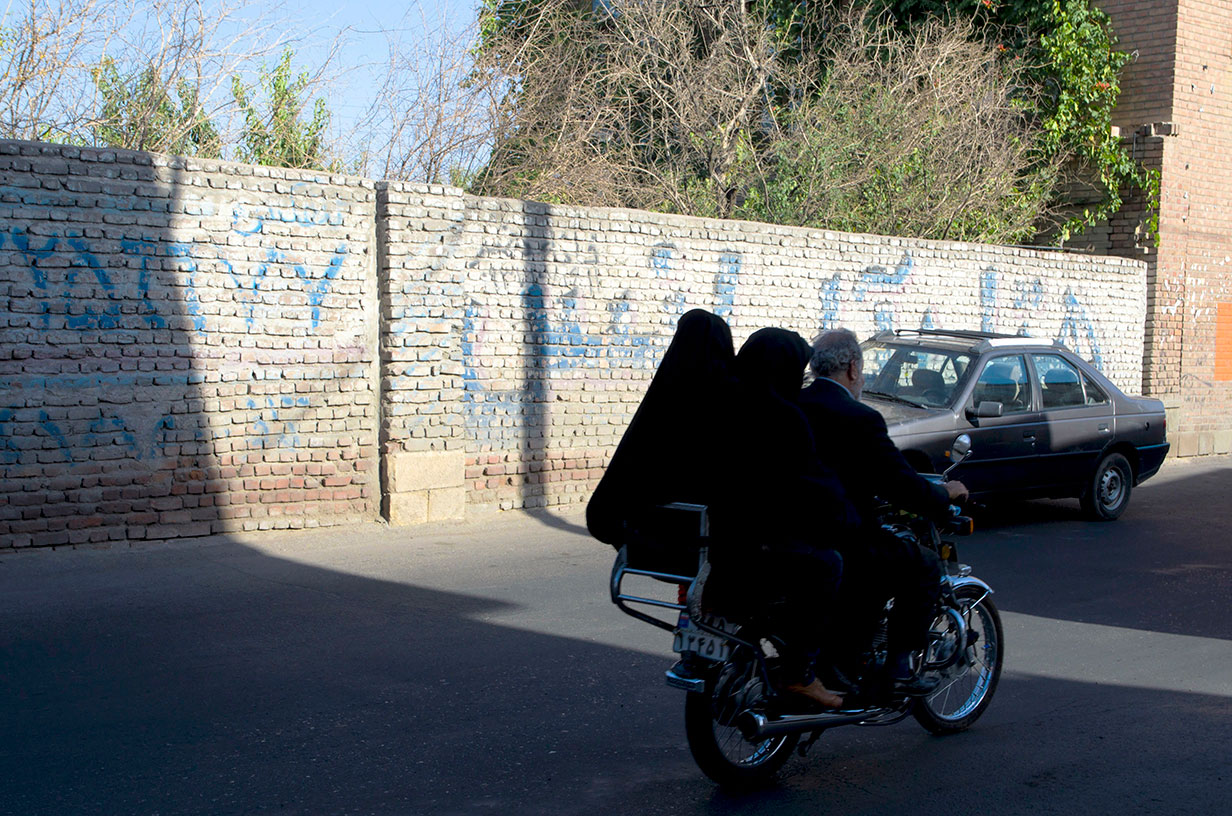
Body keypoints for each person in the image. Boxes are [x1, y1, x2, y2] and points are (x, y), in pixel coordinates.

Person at [797, 328, 969, 695]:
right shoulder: (860, 418)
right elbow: (899, 482)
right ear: (853, 369)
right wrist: (943, 494)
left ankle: (852, 654)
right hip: (843, 536)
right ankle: (898, 668)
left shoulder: (795, 404)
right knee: (923, 564)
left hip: (796, 532)